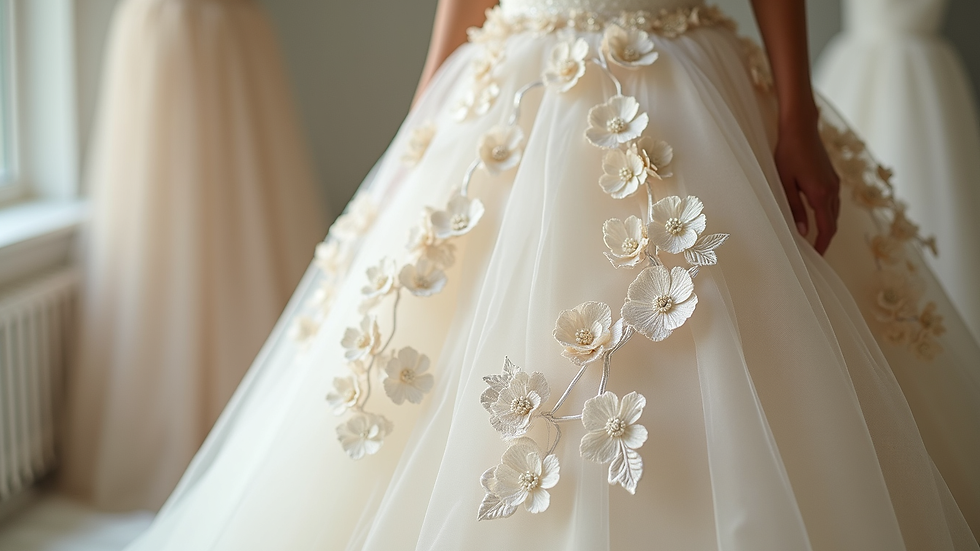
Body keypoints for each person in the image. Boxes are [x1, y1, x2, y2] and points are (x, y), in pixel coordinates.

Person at [126, 0, 980, 548]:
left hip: (681, 73)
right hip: (521, 75)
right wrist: (422, 124)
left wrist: (797, 113)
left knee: (716, 334)